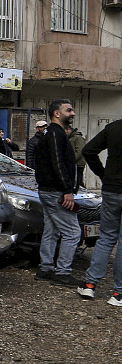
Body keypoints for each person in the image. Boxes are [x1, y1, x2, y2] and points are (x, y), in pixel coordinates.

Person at [32, 99, 81, 285]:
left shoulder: (55, 134)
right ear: (57, 114)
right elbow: (58, 163)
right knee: (72, 232)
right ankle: (62, 273)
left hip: (50, 191)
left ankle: (45, 268)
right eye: (69, 110)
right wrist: (67, 191)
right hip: (56, 192)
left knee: (51, 230)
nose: (73, 113)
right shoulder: (54, 134)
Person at [79, 119, 122, 306]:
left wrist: (103, 174)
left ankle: (90, 285)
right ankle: (118, 294)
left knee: (106, 238)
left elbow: (88, 150)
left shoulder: (114, 127)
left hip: (111, 189)